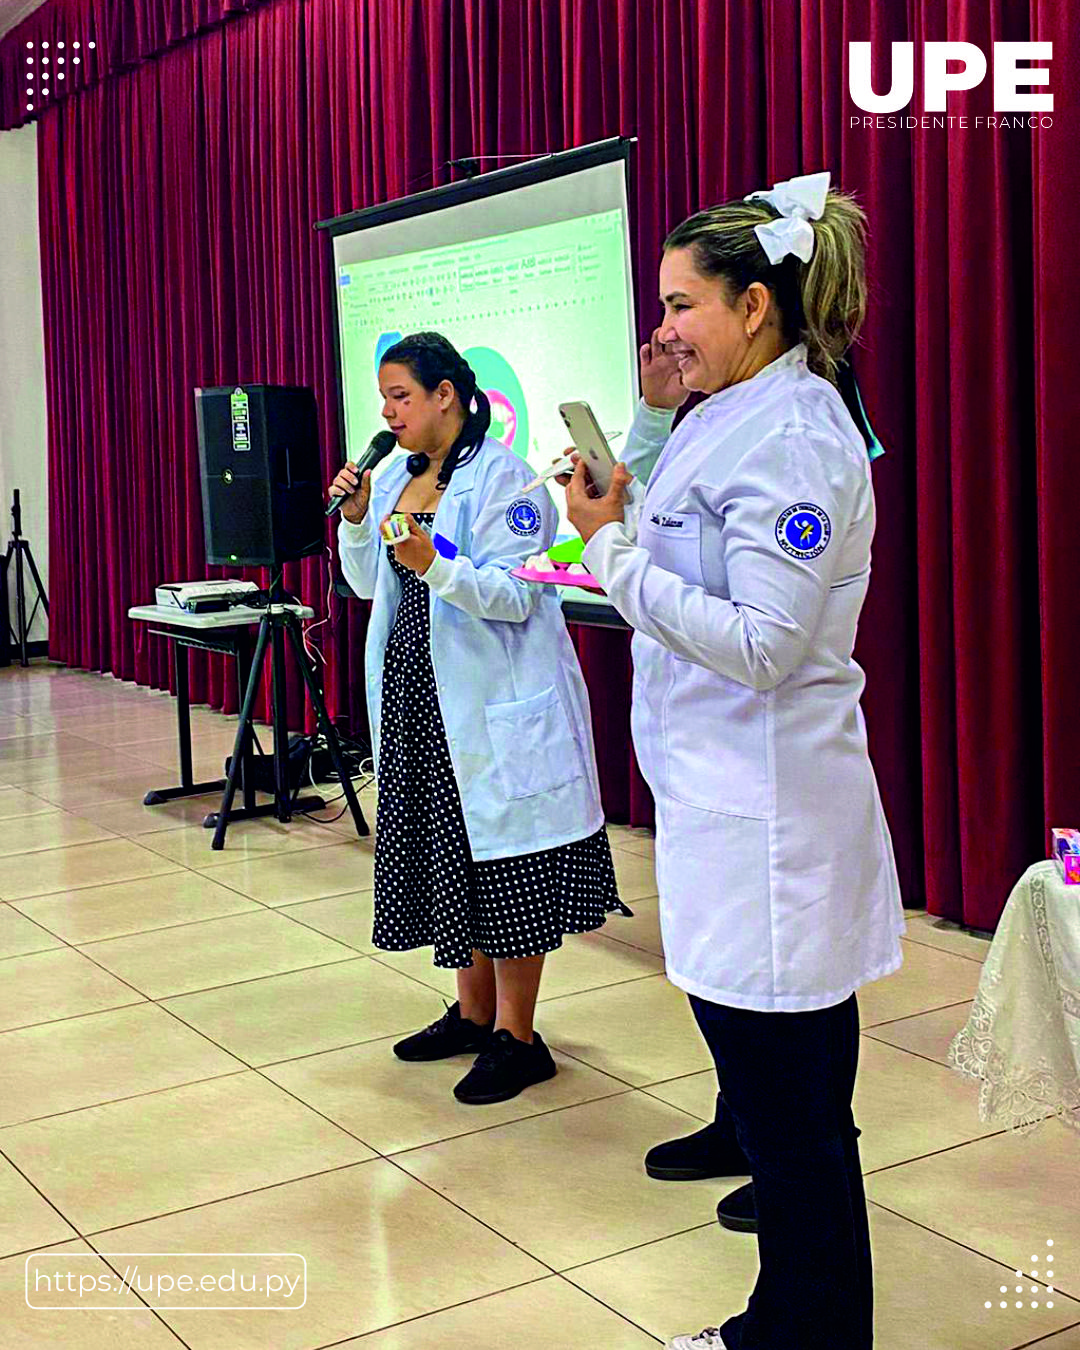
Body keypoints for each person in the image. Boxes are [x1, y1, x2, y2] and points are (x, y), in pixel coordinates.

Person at [564, 172, 904, 1349]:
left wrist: (610, 556)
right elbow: (698, 544)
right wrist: (632, 495)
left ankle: (800, 1332)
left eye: (680, 303)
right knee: (786, 1103)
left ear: (755, 305)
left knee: (794, 1113)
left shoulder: (800, 437)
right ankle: (803, 1320)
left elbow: (764, 642)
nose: (661, 327)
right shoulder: (734, 412)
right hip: (728, 805)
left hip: (771, 819)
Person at [330, 331, 626, 1106]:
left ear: (446, 398)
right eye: (384, 399)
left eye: (402, 396)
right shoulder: (395, 474)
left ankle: (518, 1038)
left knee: (505, 867)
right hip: (416, 695)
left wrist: (440, 565)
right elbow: (367, 583)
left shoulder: (509, 481)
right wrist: (361, 520)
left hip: (491, 701)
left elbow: (521, 591)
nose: (389, 413)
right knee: (448, 853)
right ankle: (471, 1011)